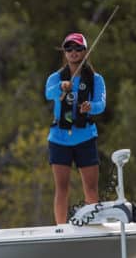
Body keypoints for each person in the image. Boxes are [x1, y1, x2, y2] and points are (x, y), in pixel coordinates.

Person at [45, 32, 107, 224]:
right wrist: (60, 88)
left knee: (90, 188)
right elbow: (48, 94)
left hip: (85, 137)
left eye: (78, 48)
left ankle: (92, 223)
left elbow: (101, 104)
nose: (73, 52)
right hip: (59, 139)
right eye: (69, 48)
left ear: (84, 52)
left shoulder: (96, 79)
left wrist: (91, 107)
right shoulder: (55, 78)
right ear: (64, 52)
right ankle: (61, 228)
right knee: (62, 188)